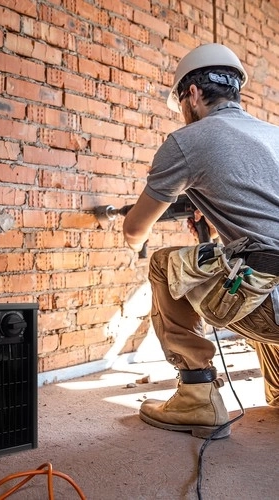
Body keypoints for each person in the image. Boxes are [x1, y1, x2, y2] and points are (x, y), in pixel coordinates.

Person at [122, 43, 279, 439]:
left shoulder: (188, 140)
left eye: (181, 102)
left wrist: (133, 239)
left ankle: (197, 395)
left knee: (166, 264)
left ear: (191, 94)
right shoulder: (272, 134)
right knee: (255, 270)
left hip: (270, 302)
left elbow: (134, 229)